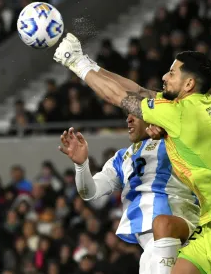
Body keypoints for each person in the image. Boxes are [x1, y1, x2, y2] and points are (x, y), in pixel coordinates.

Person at [53, 33, 211, 274]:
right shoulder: (195, 104)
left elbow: (118, 97)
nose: (164, 77)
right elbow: (138, 91)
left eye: (172, 73)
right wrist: (91, 63)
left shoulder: (180, 114)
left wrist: (75, 63)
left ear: (188, 84)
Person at [58, 114, 200, 274]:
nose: (129, 119)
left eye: (137, 114)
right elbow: (89, 192)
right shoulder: (121, 158)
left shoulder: (173, 144)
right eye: (128, 114)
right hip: (152, 245)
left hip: (180, 230)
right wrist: (81, 165)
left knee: (162, 227)